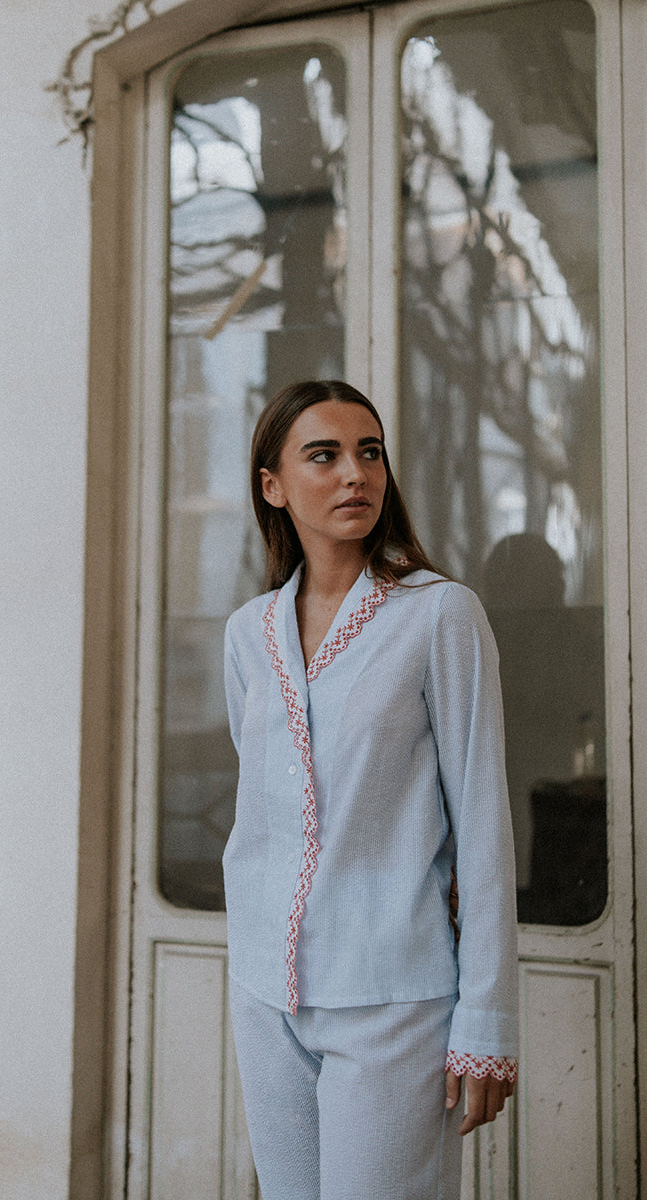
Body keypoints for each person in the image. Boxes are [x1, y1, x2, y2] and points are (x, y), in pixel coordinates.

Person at [222, 380, 519, 1200]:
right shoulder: (248, 634)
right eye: (324, 455)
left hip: (393, 995)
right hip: (266, 988)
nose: (355, 473)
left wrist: (486, 1021)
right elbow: (267, 809)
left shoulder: (439, 615)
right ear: (273, 486)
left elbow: (483, 825)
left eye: (370, 452)